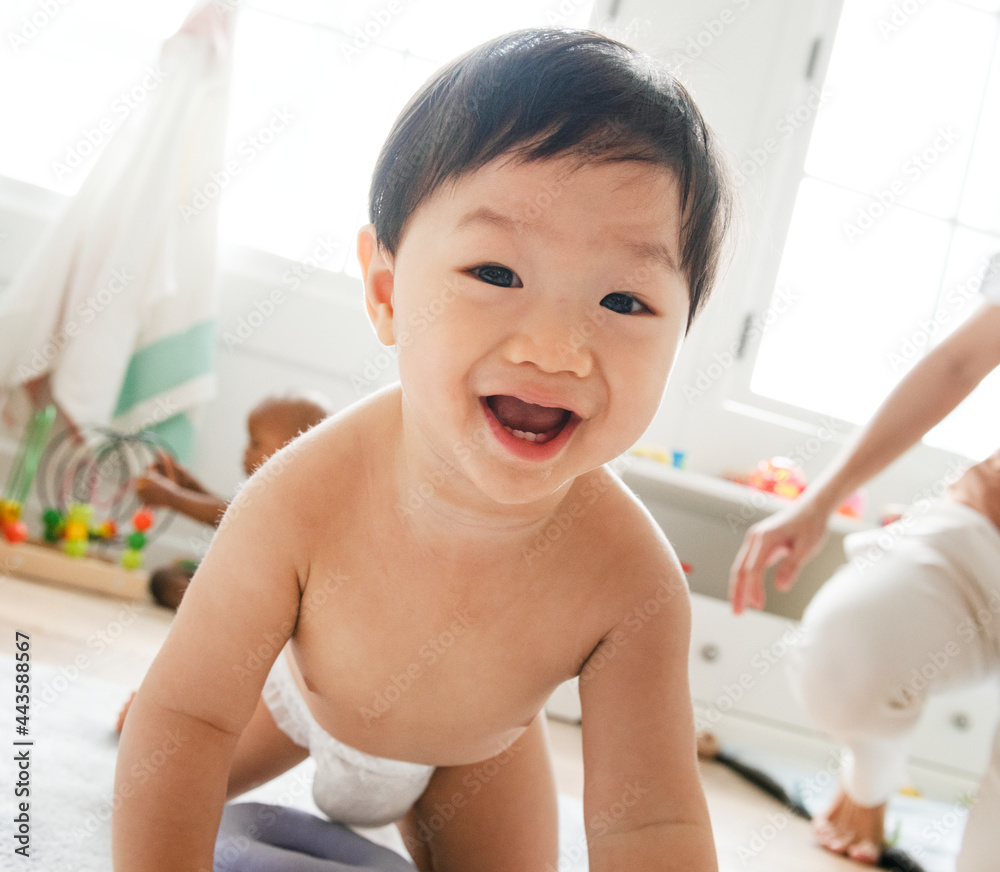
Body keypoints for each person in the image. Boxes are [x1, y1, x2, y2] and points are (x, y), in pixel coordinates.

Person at [112, 27, 734, 872]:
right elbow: (192, 720)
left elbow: (650, 821)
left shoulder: (633, 583)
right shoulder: (304, 494)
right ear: (386, 292)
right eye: (498, 275)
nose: (555, 349)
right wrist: (168, 747)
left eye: (625, 299)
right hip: (299, 706)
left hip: (477, 759)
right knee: (155, 760)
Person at [729, 255, 1000, 868]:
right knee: (848, 655)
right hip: (988, 534)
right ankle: (869, 780)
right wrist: (818, 502)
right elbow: (960, 363)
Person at [134, 390, 332, 609]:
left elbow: (231, 515)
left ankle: (215, 611)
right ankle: (213, 606)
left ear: (293, 451)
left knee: (166, 582)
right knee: (168, 578)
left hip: (269, 598)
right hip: (248, 586)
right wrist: (190, 486)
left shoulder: (295, 501)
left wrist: (171, 497)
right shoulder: (265, 496)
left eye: (255, 444)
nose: (245, 451)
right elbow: (232, 511)